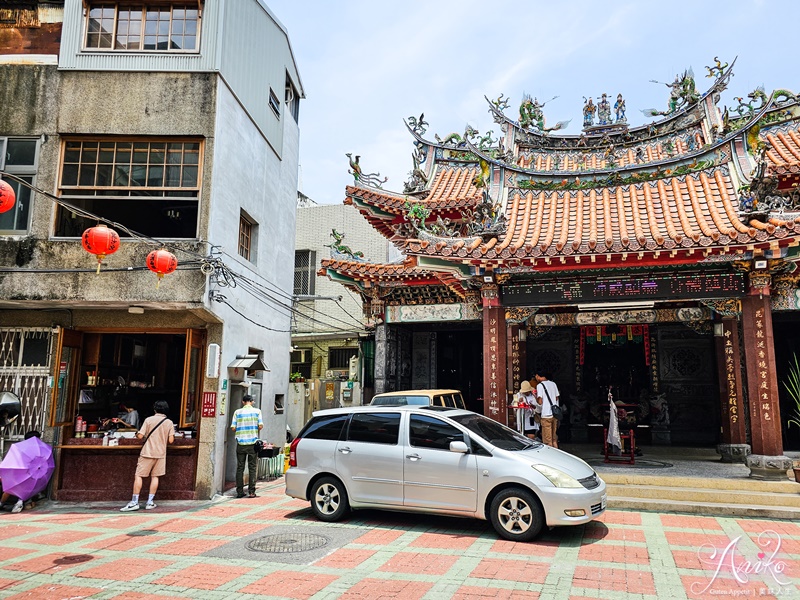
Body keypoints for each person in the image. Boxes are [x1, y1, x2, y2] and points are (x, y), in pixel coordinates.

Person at [120, 400, 174, 512]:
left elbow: (140, 436)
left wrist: (136, 433)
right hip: (160, 454)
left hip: (147, 452)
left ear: (155, 409)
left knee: (139, 475)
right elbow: (171, 440)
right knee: (155, 477)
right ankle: (150, 502)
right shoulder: (169, 422)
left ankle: (134, 502)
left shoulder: (149, 420)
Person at [1, 431, 47, 514]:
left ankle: (2, 503)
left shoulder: (21, 448)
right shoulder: (40, 449)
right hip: (31, 473)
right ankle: (19, 501)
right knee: (25, 488)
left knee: (10, 488)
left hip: (18, 471)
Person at [230, 394, 263, 499]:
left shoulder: (237, 412)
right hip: (252, 443)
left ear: (243, 402)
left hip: (240, 443)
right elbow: (260, 426)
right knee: (252, 467)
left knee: (240, 467)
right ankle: (251, 492)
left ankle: (239, 492)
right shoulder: (257, 411)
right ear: (252, 401)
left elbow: (233, 428)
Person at [535, 372, 561, 448]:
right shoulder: (553, 384)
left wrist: (535, 396)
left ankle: (550, 458)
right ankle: (557, 455)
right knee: (554, 439)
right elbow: (556, 398)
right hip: (554, 414)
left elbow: (540, 401)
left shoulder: (540, 385)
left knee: (547, 441)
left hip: (546, 415)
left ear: (538, 376)